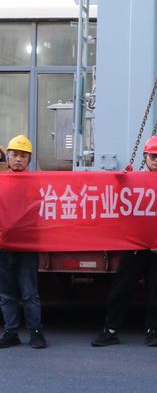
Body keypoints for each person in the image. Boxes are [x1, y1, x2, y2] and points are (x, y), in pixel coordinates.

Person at [91, 135, 157, 348]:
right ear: (145, 157)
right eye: (153, 156)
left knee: (156, 292)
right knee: (120, 289)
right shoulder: (132, 179)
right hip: (135, 246)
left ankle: (153, 331)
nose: (156, 161)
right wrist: (122, 178)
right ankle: (110, 330)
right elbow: (116, 198)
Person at [0, 135, 47, 349]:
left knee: (29, 291)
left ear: (29, 159)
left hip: (28, 245)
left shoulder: (36, 183)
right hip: (4, 245)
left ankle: (35, 332)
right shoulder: (1, 182)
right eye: (15, 155)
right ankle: (11, 332)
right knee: (6, 292)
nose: (18, 159)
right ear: (8, 157)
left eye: (23, 156)